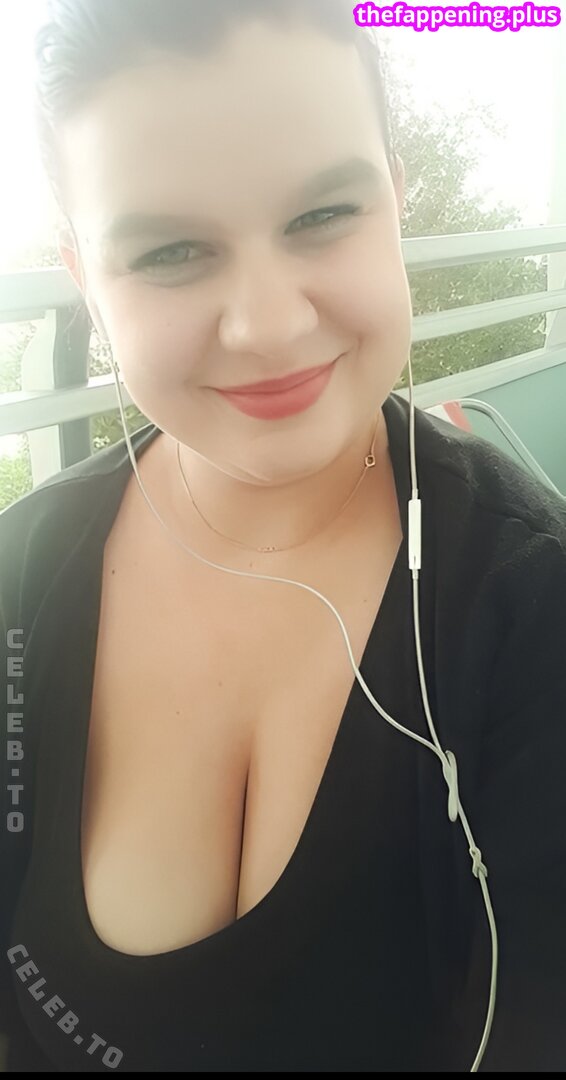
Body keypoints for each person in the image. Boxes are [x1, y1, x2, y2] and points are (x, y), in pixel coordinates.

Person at [1, 0, 566, 1071]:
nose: (267, 326)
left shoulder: (532, 608)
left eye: (323, 215)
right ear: (85, 280)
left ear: (395, 199)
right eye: (171, 251)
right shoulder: (19, 573)